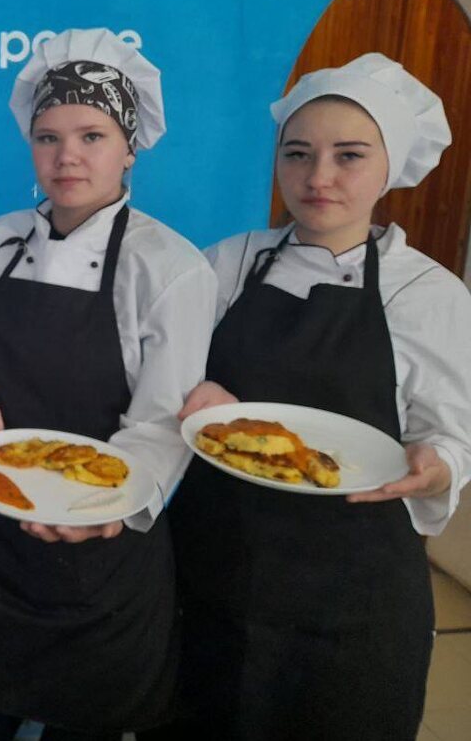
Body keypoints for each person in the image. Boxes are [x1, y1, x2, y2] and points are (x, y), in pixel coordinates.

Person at [0, 28, 216, 740]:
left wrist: (105, 504)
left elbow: (160, 422)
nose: (67, 156)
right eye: (48, 137)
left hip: (97, 550)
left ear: (129, 146)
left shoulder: (170, 267)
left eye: (92, 136)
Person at [170, 53, 471, 741]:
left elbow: (452, 436)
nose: (318, 177)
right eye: (298, 153)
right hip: (214, 565)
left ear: (390, 167)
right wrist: (191, 390)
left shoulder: (426, 292)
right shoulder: (229, 262)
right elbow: (162, 375)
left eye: (349, 156)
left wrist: (436, 466)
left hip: (352, 590)